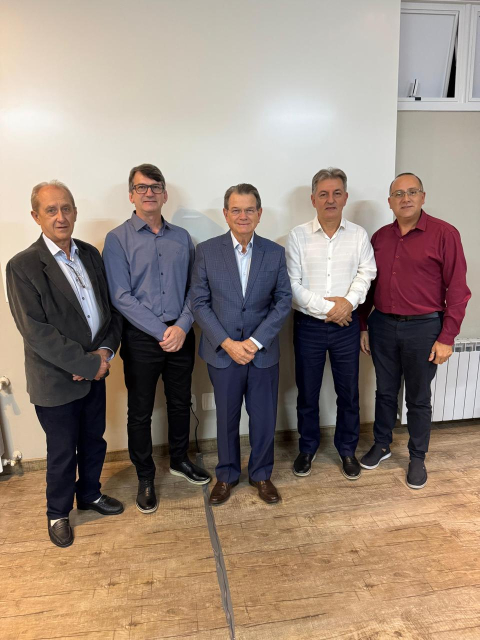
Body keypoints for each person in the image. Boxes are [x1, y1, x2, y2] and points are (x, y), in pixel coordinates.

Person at [6, 181, 124, 548]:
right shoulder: (22, 266)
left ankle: (89, 494)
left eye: (66, 208)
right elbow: (36, 331)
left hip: (96, 371)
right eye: (51, 210)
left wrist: (103, 355)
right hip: (55, 379)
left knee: (93, 441)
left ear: (75, 212)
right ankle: (57, 513)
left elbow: (109, 312)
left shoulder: (90, 254)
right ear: (36, 216)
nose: (61, 216)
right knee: (61, 452)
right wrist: (85, 363)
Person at [103, 163, 210, 515]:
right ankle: (145, 476)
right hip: (141, 338)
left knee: (180, 403)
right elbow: (120, 296)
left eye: (155, 187)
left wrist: (181, 326)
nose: (149, 193)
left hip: (180, 334)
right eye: (141, 187)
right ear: (131, 195)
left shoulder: (182, 238)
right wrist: (161, 331)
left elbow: (195, 288)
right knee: (140, 412)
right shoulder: (117, 239)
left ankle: (180, 459)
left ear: (164, 195)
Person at [358, 172, 471, 489]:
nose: (405, 198)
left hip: (424, 328)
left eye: (412, 192)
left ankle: (417, 457)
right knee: (384, 392)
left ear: (423, 197)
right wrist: (364, 325)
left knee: (419, 398)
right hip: (383, 325)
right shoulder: (380, 237)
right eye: (398, 194)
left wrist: (447, 337)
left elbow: (458, 290)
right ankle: (382, 444)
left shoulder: (445, 234)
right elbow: (369, 286)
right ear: (389, 201)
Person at [190, 183, 292, 506]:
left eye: (249, 210)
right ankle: (227, 475)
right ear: (226, 214)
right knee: (226, 418)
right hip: (223, 354)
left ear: (259, 214)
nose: (243, 216)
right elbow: (199, 303)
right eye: (236, 210)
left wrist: (255, 342)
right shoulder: (207, 251)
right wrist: (228, 343)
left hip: (263, 353)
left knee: (263, 419)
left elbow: (283, 301)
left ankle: (261, 474)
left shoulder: (274, 253)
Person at [286, 168, 377, 480]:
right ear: (313, 199)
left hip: (346, 327)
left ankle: (347, 449)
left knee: (348, 393)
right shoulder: (297, 236)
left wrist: (348, 304)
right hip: (309, 326)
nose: (330, 199)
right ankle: (307, 448)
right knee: (307, 393)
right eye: (323, 194)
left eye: (337, 193)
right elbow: (292, 285)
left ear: (345, 197)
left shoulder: (359, 235)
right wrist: (332, 309)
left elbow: (366, 273)